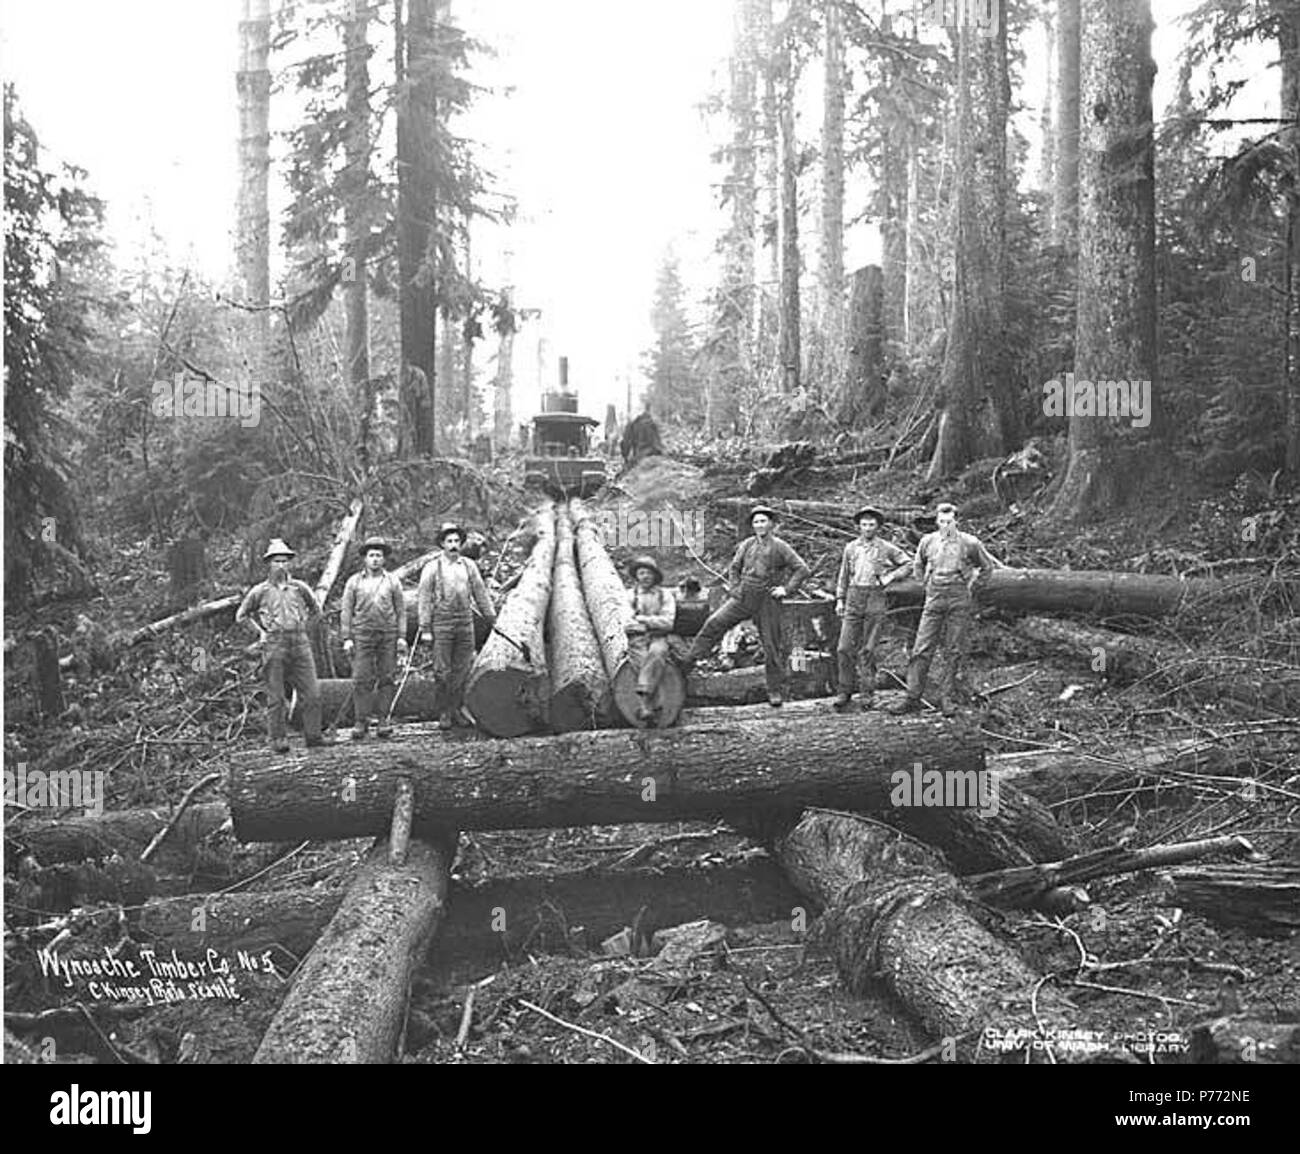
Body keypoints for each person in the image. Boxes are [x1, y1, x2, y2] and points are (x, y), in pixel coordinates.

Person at [681, 505, 810, 707]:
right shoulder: (747, 544)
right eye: (756, 522)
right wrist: (734, 589)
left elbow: (802, 569)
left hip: (767, 599)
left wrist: (786, 589)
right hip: (744, 595)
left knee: (771, 645)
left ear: (772, 524)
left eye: (763, 521)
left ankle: (774, 690)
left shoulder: (780, 546)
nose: (759, 525)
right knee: (715, 622)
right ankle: (687, 663)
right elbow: (734, 567)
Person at [891, 502, 1000, 717]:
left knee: (954, 650)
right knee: (921, 648)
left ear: (956, 521)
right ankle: (912, 697)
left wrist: (973, 587)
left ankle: (946, 698)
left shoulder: (970, 543)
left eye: (949, 521)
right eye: (941, 521)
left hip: (959, 599)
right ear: (936, 522)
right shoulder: (927, 541)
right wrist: (925, 584)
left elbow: (987, 568)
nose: (945, 525)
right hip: (934, 599)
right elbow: (918, 565)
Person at [236, 538, 333, 753]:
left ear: (290, 563)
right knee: (276, 696)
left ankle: (313, 736)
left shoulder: (300, 588)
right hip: (274, 643)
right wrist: (261, 633)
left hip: (299, 642)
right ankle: (278, 739)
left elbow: (317, 611)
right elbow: (241, 616)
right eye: (276, 561)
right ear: (269, 564)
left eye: (285, 561)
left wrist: (304, 628)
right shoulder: (260, 591)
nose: (281, 565)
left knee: (312, 692)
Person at [833, 506, 912, 712]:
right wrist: (840, 599)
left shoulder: (886, 547)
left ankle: (867, 692)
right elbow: (843, 575)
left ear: (878, 527)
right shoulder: (851, 547)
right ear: (858, 526)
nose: (867, 528)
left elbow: (907, 563)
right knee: (844, 647)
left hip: (875, 597)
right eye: (864, 524)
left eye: (871, 524)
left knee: (868, 648)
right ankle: (844, 690)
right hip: (853, 596)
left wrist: (891, 577)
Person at [418, 522, 496, 729]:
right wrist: (425, 628)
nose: (453, 545)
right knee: (442, 670)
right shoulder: (432, 567)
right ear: (442, 544)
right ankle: (444, 712)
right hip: (442, 622)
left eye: (456, 541)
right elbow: (424, 598)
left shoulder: (469, 566)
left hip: (465, 621)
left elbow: (480, 592)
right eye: (449, 541)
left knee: (462, 668)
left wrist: (491, 617)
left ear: (461, 544)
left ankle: (458, 709)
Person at [340, 537, 407, 740]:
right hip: (362, 635)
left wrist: (402, 636)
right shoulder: (354, 582)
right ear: (365, 559)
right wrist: (347, 637)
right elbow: (346, 611)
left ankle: (384, 719)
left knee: (387, 677)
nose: (375, 559)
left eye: (379, 555)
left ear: (384, 559)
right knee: (361, 678)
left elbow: (401, 610)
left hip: (387, 634)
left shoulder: (392, 581)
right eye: (372, 555)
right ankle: (361, 721)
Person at [623, 555, 677, 723]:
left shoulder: (665, 595)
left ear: (655, 576)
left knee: (657, 653)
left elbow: (668, 622)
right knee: (640, 660)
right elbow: (627, 621)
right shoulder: (630, 595)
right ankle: (653, 705)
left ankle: (645, 702)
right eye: (641, 573)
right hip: (637, 639)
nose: (645, 576)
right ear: (636, 576)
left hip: (658, 637)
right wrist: (651, 622)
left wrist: (644, 620)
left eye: (649, 573)